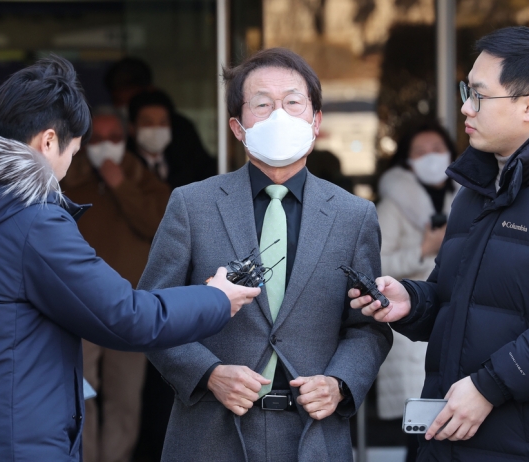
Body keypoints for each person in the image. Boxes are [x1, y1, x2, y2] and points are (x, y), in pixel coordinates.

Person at [0, 55, 261, 462]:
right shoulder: (31, 220)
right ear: (48, 141)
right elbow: (127, 316)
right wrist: (217, 297)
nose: (69, 166)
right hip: (18, 441)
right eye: (73, 152)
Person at [351, 26, 529, 461]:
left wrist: (489, 386)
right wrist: (413, 302)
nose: (465, 108)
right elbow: (464, 302)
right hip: (451, 436)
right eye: (464, 91)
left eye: (479, 95)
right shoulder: (478, 188)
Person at [139, 48, 393, 462]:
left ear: (316, 121)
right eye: (262, 104)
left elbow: (368, 327)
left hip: (312, 435)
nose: (280, 115)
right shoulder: (192, 205)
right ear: (237, 127)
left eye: (293, 102)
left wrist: (340, 382)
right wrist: (208, 374)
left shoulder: (354, 215)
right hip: (210, 433)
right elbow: (153, 312)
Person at [61, 108, 171, 462]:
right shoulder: (65, 180)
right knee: (83, 395)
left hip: (130, 308)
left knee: (125, 398)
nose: (106, 146)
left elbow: (158, 224)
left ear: (126, 140)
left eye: (115, 138)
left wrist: (121, 185)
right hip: (79, 307)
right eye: (98, 138)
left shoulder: (143, 179)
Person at [374, 119, 458, 461]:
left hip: (455, 320)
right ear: (407, 160)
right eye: (420, 152)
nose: (430, 157)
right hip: (413, 328)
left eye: (437, 150)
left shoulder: (468, 194)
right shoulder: (391, 205)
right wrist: (424, 250)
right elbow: (375, 267)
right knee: (422, 431)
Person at [127, 89, 217, 188]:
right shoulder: (125, 166)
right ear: (132, 128)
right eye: (148, 123)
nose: (156, 129)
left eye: (163, 123)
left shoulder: (188, 162)